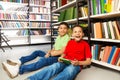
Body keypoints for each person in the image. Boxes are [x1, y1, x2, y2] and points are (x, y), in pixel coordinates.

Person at [2, 22, 70, 79]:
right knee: (37, 52)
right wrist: (49, 53)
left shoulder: (67, 38)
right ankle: (20, 61)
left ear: (67, 30)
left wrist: (51, 54)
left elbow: (62, 51)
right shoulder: (58, 37)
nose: (62, 30)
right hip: (52, 54)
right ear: (58, 29)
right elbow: (54, 48)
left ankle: (19, 70)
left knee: (43, 61)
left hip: (58, 58)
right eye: (61, 28)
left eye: (65, 28)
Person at [25, 25, 92, 80]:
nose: (77, 33)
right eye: (75, 32)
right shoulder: (70, 42)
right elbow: (65, 53)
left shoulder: (85, 45)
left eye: (80, 32)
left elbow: (88, 61)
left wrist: (79, 63)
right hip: (65, 61)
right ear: (72, 34)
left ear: (83, 34)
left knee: (69, 71)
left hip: (76, 65)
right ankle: (32, 78)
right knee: (53, 67)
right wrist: (61, 57)